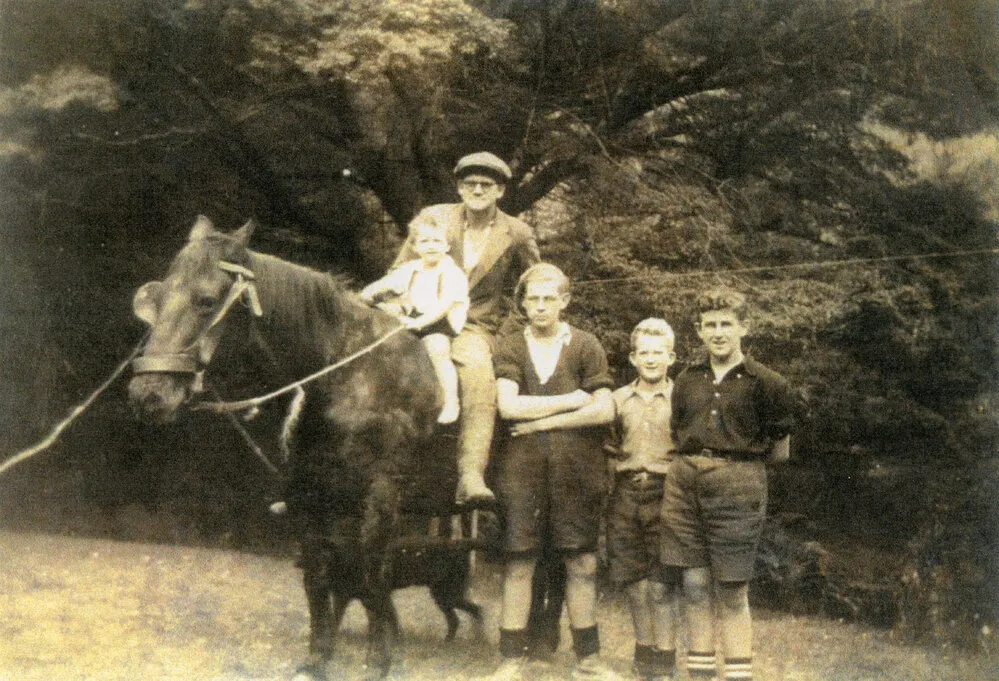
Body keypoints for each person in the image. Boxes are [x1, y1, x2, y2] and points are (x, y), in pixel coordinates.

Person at [662, 288, 806, 681]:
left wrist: (735, 469)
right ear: (700, 331)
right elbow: (680, 431)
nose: (719, 332)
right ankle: (701, 674)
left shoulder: (769, 383)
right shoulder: (687, 379)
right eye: (711, 325)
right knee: (692, 583)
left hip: (738, 484)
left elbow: (780, 450)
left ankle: (738, 675)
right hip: (685, 482)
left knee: (731, 588)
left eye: (727, 323)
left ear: (744, 327)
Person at [489, 263, 621, 681]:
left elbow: (604, 409)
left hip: (577, 472)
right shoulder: (510, 345)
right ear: (523, 303)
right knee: (519, 562)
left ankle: (589, 659)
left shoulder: (586, 345)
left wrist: (543, 422)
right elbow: (508, 406)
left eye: (550, 298)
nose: (541, 307)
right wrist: (575, 398)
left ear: (565, 301)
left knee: (581, 562)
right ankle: (511, 658)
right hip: (521, 472)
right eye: (533, 299)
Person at [390, 151, 540, 504]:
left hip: (474, 326)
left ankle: (470, 475)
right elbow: (398, 271)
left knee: (478, 376)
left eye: (486, 185)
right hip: (419, 316)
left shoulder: (516, 233)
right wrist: (399, 308)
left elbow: (533, 287)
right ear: (458, 187)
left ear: (500, 191)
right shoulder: (434, 219)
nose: (477, 190)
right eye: (469, 184)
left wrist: (505, 332)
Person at [606, 318, 687, 681]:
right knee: (634, 582)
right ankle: (643, 656)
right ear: (633, 357)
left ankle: (665, 661)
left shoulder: (683, 399)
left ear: (671, 356)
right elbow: (608, 449)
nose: (651, 360)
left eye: (658, 353)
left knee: (661, 584)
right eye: (644, 353)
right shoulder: (618, 399)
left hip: (666, 492)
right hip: (625, 493)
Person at [360, 219, 468, 424]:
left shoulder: (453, 273)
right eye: (425, 241)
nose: (431, 246)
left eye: (437, 241)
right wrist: (370, 292)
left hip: (440, 322)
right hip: (412, 316)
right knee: (382, 339)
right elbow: (387, 284)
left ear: (447, 246)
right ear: (416, 247)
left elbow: (443, 306)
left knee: (438, 348)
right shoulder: (411, 268)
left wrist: (420, 324)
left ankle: (451, 400)